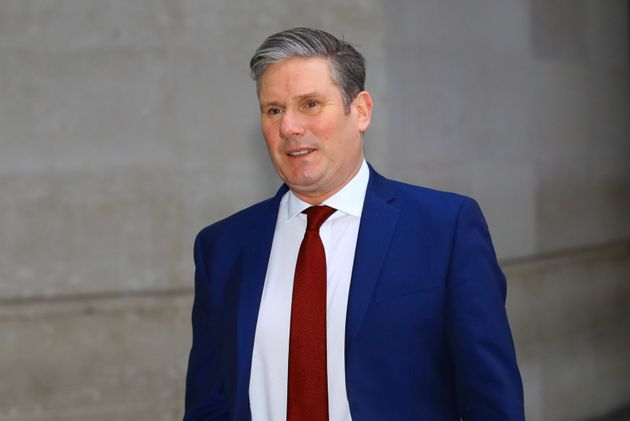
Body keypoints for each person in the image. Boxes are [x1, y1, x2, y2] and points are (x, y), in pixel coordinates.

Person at [184, 27, 524, 421]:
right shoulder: (223, 247)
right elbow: (208, 403)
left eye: (310, 104)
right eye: (274, 109)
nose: (289, 127)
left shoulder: (445, 229)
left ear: (360, 110)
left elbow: (491, 399)